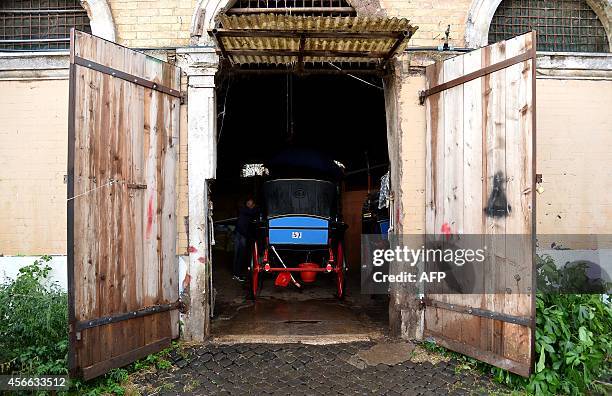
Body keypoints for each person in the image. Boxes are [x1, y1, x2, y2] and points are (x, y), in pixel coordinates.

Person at [233, 197, 259, 282]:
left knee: (240, 255)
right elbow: (254, 211)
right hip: (240, 235)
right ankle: (236, 274)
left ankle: (237, 274)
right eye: (248, 203)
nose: (249, 205)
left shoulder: (247, 211)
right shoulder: (244, 210)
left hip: (241, 235)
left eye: (251, 204)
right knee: (239, 255)